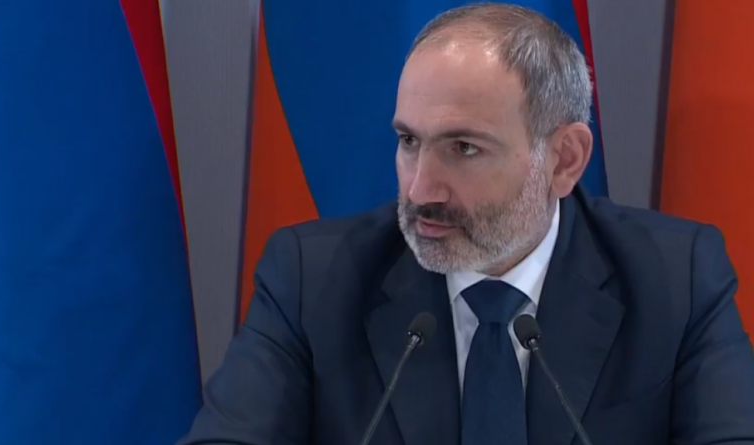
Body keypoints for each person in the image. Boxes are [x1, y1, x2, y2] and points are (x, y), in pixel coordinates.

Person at [178, 3, 754, 444]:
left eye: (464, 148)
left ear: (564, 160)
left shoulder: (675, 279)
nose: (420, 190)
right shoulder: (313, 279)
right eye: (409, 142)